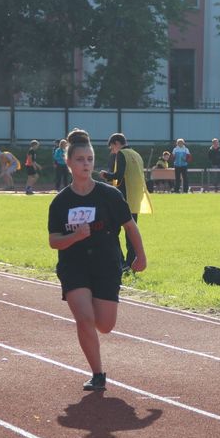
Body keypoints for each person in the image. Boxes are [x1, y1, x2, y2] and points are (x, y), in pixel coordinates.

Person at [48, 128, 147, 392]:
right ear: (69, 162)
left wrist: (141, 255)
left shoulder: (110, 195)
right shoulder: (60, 202)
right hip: (74, 265)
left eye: (90, 159)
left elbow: (130, 226)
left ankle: (95, 305)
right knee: (83, 318)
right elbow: (54, 240)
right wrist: (75, 236)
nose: (86, 164)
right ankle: (97, 374)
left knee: (104, 325)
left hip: (105, 264)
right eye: (80, 159)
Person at [100, 132, 153, 269]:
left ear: (117, 143)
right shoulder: (136, 154)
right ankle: (131, 263)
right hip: (135, 198)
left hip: (123, 197)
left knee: (112, 231)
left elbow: (119, 175)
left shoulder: (121, 154)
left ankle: (120, 262)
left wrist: (106, 175)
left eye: (112, 147)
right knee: (132, 233)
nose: (112, 151)